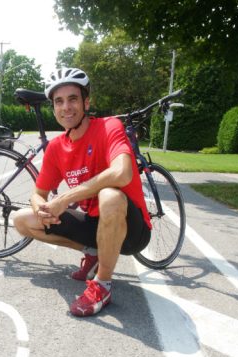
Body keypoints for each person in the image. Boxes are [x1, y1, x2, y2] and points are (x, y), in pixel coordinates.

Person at [12, 68, 152, 317]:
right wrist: (41, 209)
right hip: (94, 224)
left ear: (86, 102)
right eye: (59, 101)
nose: (66, 107)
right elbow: (38, 193)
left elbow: (122, 173)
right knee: (22, 220)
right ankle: (93, 252)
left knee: (110, 195)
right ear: (53, 108)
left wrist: (64, 199)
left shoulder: (109, 127)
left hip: (132, 230)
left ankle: (103, 285)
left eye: (73, 99)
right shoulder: (56, 147)